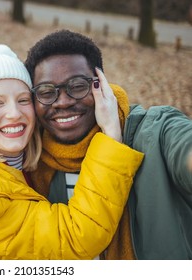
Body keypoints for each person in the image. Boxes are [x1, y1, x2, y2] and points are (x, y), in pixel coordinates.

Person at [0, 44, 144, 259]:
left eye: (23, 100)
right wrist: (110, 135)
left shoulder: (21, 161)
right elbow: (76, 238)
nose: (14, 114)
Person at [24, 29, 192, 260]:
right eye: (46, 91)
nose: (62, 102)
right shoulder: (29, 163)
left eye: (77, 86)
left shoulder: (155, 133)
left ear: (100, 84)